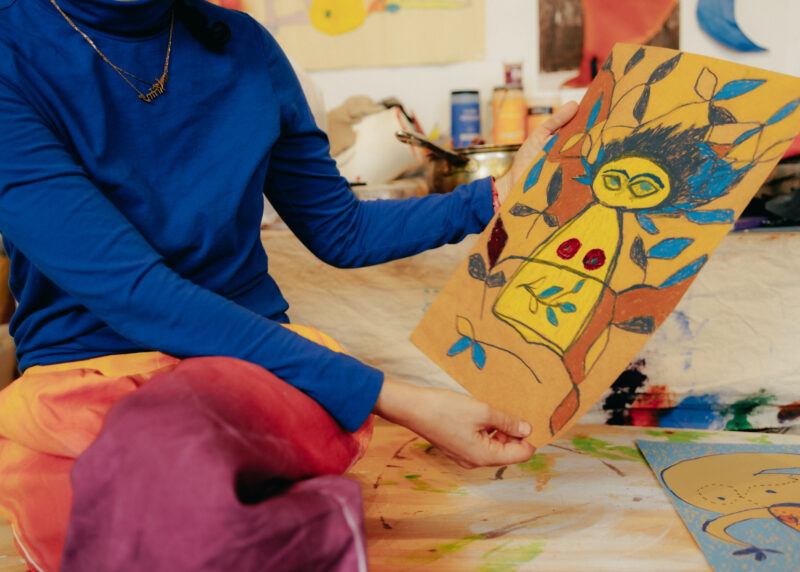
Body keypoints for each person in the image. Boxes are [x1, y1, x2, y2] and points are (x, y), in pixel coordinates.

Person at [0, 0, 578, 569]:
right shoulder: (11, 47)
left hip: (254, 374)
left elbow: (342, 231)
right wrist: (401, 399)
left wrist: (497, 196)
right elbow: (138, 294)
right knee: (145, 484)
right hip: (86, 384)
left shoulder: (244, 45)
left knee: (177, 465)